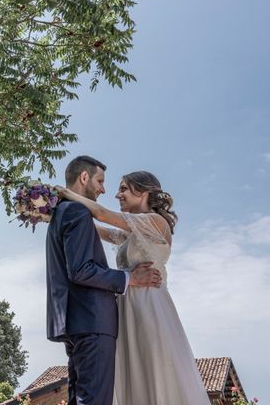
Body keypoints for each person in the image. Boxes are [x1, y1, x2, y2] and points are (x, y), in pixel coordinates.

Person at [56, 170, 211, 405]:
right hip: (127, 306)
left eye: (124, 188)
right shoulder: (132, 233)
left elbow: (100, 214)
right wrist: (52, 215)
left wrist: (64, 193)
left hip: (149, 307)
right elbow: (98, 229)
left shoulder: (156, 222)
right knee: (132, 373)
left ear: (144, 192)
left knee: (152, 370)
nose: (117, 194)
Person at [46, 156, 162, 405]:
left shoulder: (66, 213)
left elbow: (100, 219)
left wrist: (53, 204)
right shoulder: (76, 211)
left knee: (83, 397)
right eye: (101, 181)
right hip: (93, 319)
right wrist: (131, 277)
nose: (106, 190)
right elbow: (82, 270)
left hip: (84, 319)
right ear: (85, 178)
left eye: (121, 189)